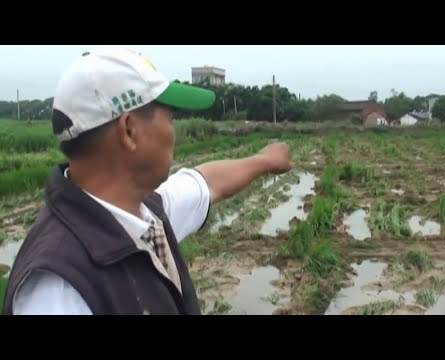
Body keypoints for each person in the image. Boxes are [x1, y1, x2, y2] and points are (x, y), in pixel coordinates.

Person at [2, 47, 292, 315]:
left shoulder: (143, 214)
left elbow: (206, 182)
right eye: (170, 117)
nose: (173, 131)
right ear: (129, 130)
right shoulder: (58, 290)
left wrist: (265, 160)